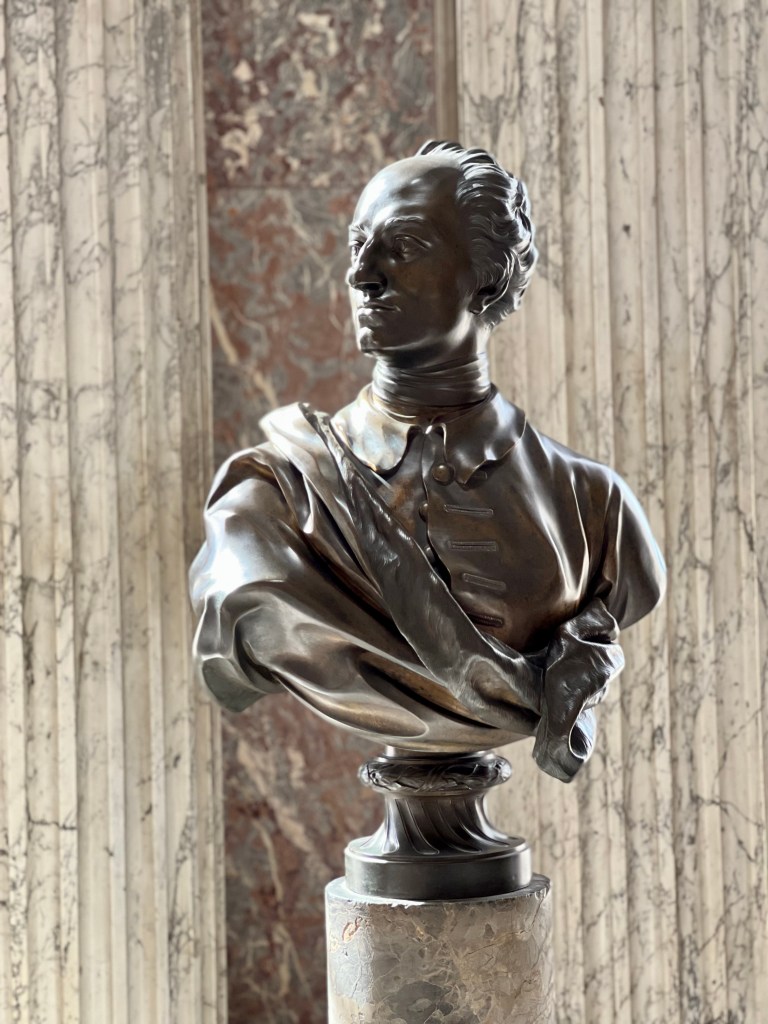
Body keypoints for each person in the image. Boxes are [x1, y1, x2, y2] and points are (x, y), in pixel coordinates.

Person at [190, 141, 666, 782]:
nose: (362, 275)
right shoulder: (270, 498)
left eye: (404, 245)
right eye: (357, 245)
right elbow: (243, 614)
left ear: (487, 277)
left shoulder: (596, 506)